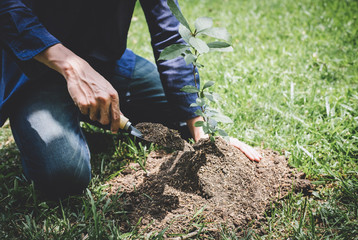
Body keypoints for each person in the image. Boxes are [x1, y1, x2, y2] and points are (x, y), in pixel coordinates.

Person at [0, 0, 262, 198]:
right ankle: (40, 120)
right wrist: (71, 67)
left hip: (103, 61)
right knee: (63, 175)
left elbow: (169, 31)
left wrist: (201, 129)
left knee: (179, 113)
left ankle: (83, 110)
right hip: (34, 68)